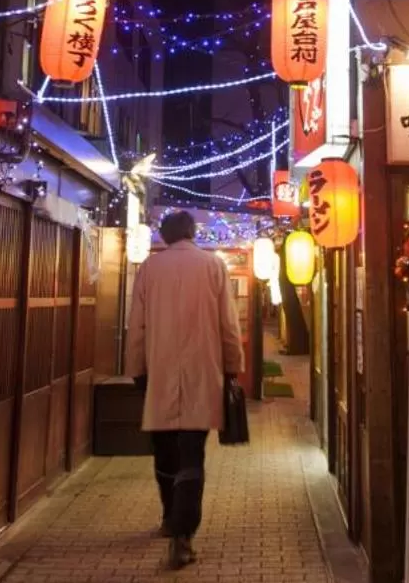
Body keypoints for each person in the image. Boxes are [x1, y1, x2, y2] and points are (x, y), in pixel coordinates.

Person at [126, 210, 246, 570]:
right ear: (192, 233)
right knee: (192, 454)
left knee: (164, 452)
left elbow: (137, 327)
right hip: (202, 374)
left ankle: (169, 517)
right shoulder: (213, 266)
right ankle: (183, 535)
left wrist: (136, 371)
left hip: (159, 374)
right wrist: (232, 366)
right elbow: (228, 323)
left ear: (165, 235)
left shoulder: (150, 269)